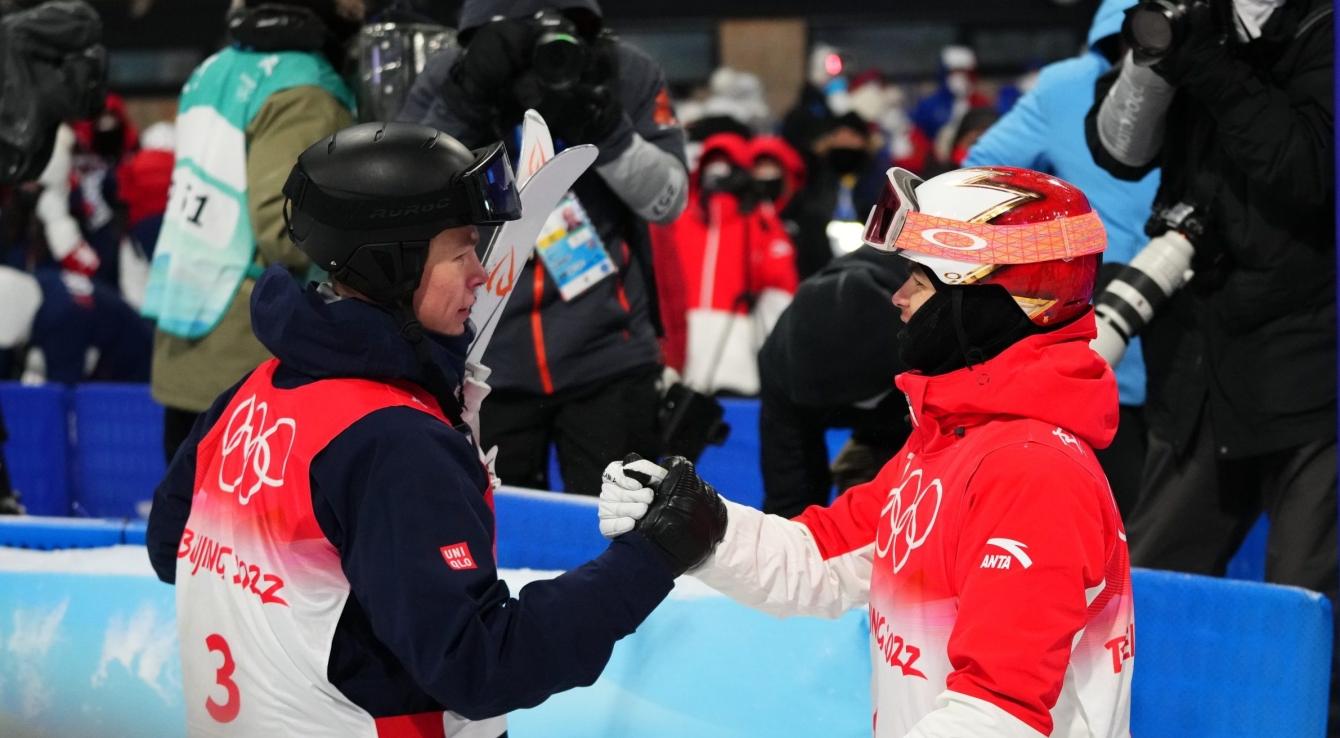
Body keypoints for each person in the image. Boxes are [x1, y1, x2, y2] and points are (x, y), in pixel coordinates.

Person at [145, 121, 727, 737]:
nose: (481, 274)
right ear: (391, 268)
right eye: (461, 252)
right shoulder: (392, 440)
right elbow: (481, 664)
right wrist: (651, 557)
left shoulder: (253, 394)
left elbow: (170, 550)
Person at [603, 166, 1133, 738]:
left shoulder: (1031, 470)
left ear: (990, 302)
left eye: (921, 282)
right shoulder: (951, 440)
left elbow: (997, 716)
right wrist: (700, 523)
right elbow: (822, 559)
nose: (899, 297)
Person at [1085, 0, 1336, 729]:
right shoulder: (1201, 22)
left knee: (1304, 617)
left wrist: (1204, 59)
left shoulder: (1324, 30)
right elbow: (1121, 148)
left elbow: (1307, 172)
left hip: (1312, 374)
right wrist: (1156, 50)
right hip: (1200, 364)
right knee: (1148, 601)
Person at [399, 0, 689, 495]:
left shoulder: (622, 70)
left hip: (607, 356)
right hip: (481, 358)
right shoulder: (451, 75)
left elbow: (668, 201)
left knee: (621, 536)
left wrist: (604, 128)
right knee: (493, 533)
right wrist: (466, 102)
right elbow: (406, 196)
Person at [964, 0, 1160, 516]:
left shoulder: (1200, 83)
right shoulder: (1067, 87)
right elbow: (980, 178)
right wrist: (1047, 257)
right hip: (1095, 344)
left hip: (1187, 341)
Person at [142, 0, 360, 464]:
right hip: (248, 360)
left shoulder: (212, 68)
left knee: (187, 529)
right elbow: (285, 231)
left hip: (186, 336)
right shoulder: (304, 86)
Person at [757, 246, 910, 519]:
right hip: (877, 391)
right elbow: (791, 489)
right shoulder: (779, 365)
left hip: (912, 395)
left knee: (906, 507)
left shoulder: (937, 328)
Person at [650, 133, 798, 396]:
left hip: (738, 344)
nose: (718, 171)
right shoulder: (680, 216)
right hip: (681, 339)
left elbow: (779, 282)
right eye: (712, 161)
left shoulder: (758, 219)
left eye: (726, 162)